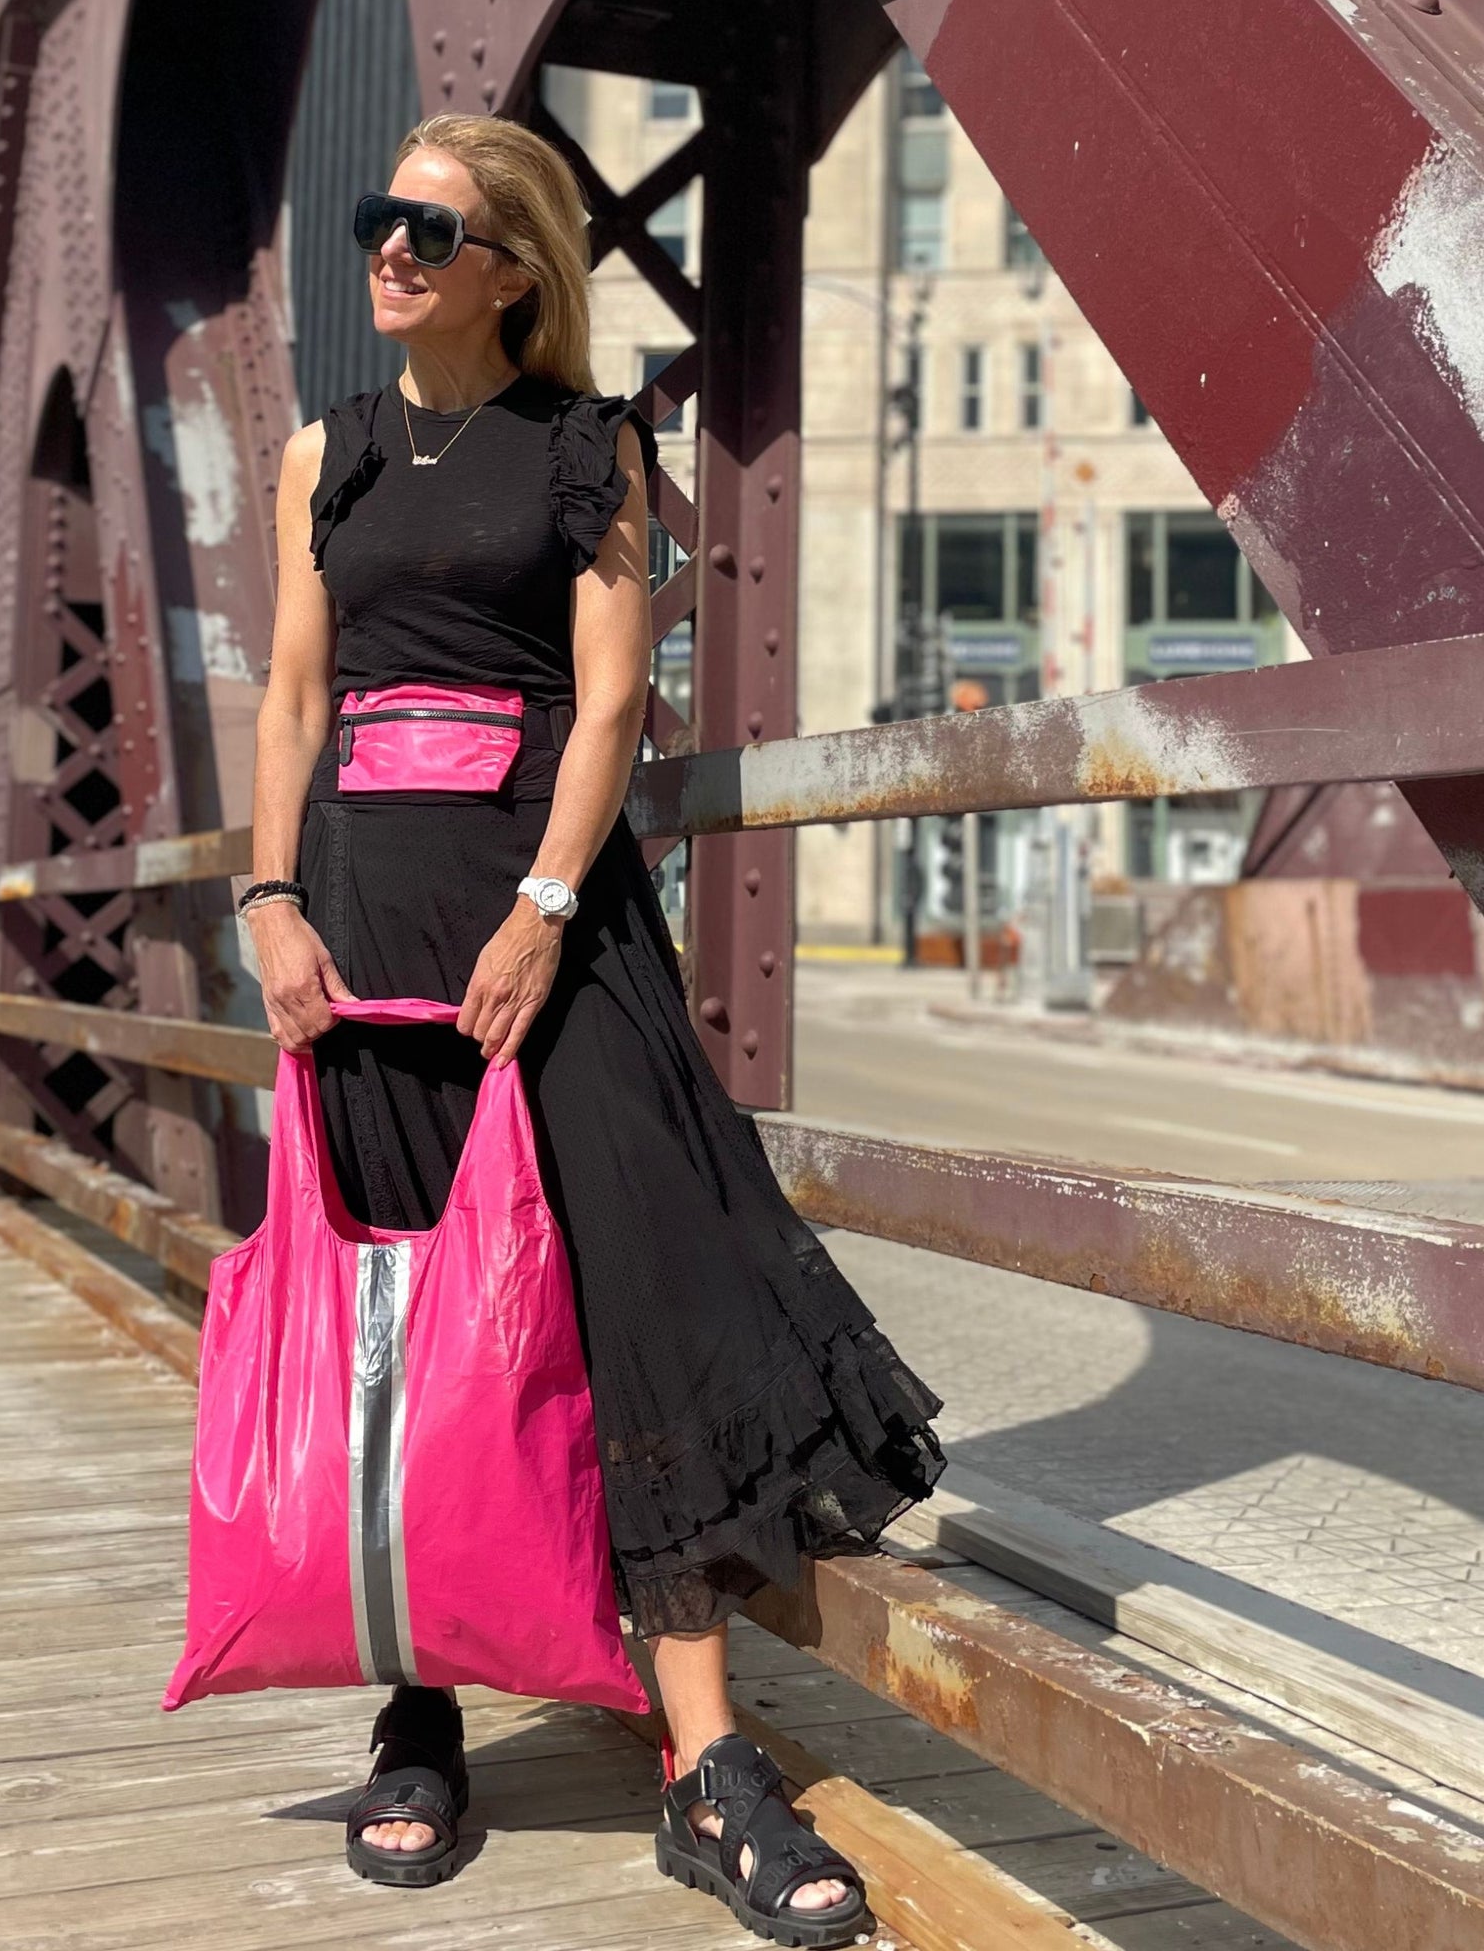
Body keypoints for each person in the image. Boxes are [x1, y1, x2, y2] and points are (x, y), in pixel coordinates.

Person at [243, 110, 946, 1945]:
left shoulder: (587, 445)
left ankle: (705, 1765)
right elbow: (296, 692)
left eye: (429, 226)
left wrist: (550, 909)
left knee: (632, 1307)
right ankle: (421, 1709)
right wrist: (263, 900)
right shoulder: (324, 452)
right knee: (406, 1328)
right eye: (377, 218)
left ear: (511, 270)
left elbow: (616, 701)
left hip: (546, 929)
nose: (388, 248)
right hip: (364, 930)